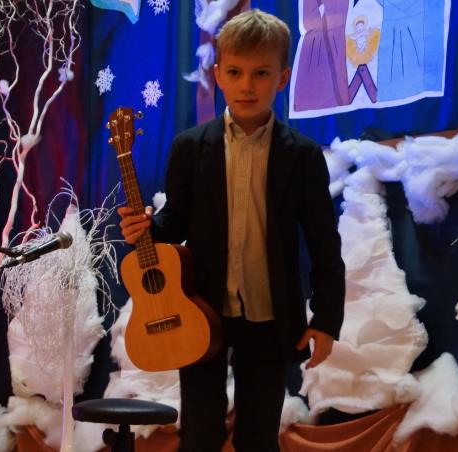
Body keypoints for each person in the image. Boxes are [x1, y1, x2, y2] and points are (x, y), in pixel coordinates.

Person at [117, 9, 345, 452]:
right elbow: (174, 223)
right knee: (199, 434)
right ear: (218, 74)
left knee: (258, 437)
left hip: (270, 316)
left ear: (282, 78)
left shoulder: (301, 156)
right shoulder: (189, 148)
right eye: (236, 72)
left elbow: (323, 244)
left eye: (261, 73)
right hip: (198, 311)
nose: (247, 86)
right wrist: (146, 228)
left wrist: (326, 321)